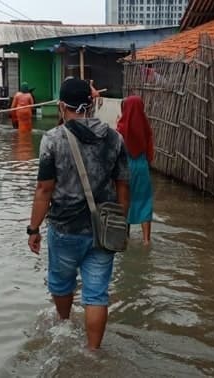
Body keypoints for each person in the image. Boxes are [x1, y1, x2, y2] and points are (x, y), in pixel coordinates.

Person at [27, 78, 130, 350]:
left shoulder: (52, 140)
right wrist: (121, 222)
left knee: (61, 284)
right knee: (96, 294)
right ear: (93, 102)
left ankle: (63, 324)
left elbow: (44, 190)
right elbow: (123, 184)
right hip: (104, 228)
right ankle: (93, 352)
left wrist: (33, 229)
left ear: (62, 106)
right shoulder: (114, 138)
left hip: (65, 229)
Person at [117, 96, 155, 246]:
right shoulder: (145, 126)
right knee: (145, 201)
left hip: (125, 168)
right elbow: (150, 150)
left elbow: (115, 149)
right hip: (142, 167)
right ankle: (146, 240)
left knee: (124, 201)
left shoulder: (121, 127)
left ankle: (124, 237)